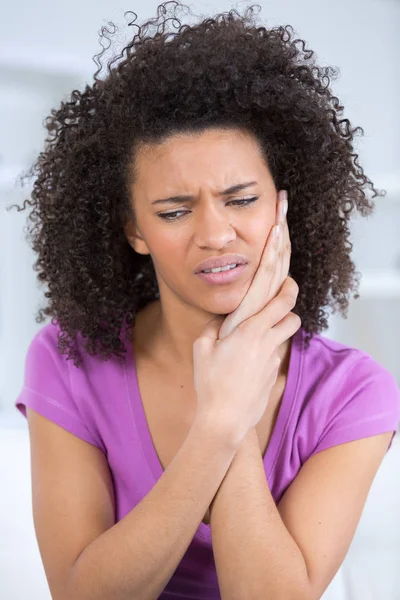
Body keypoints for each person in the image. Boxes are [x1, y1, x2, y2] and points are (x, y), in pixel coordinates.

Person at [9, 2, 400, 599]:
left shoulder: (353, 392)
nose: (215, 235)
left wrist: (235, 384)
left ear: (285, 207)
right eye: (173, 211)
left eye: (242, 200)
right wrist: (220, 421)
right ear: (134, 230)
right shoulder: (69, 361)